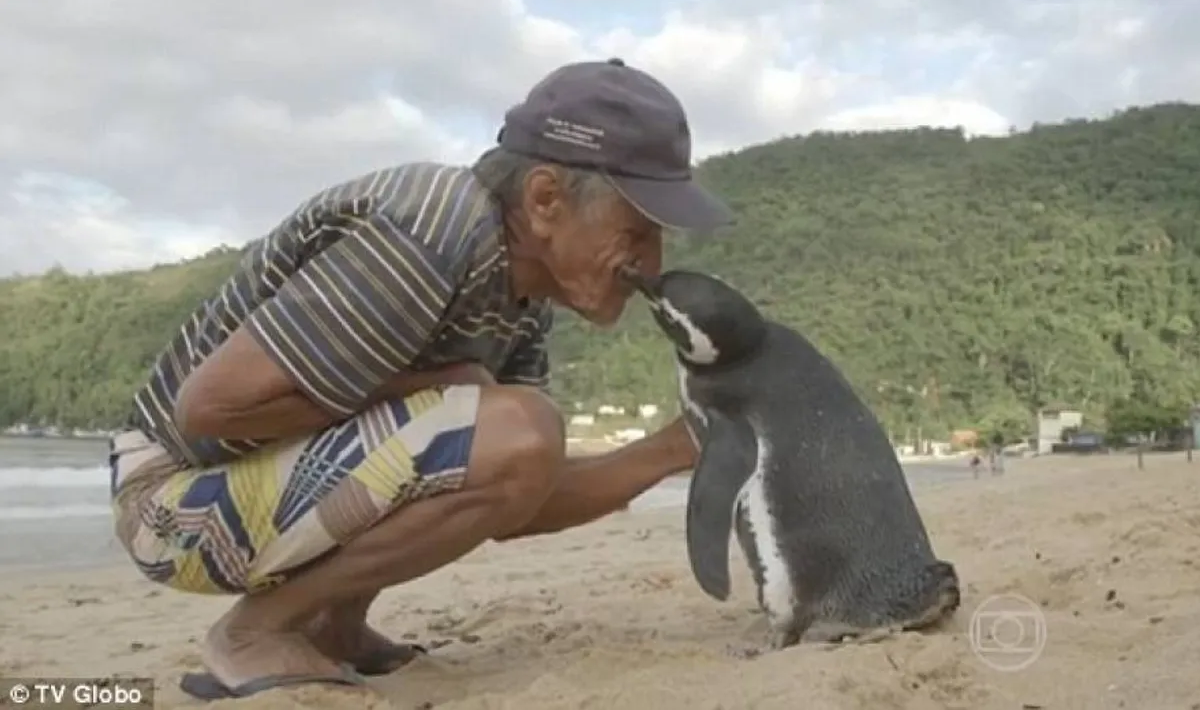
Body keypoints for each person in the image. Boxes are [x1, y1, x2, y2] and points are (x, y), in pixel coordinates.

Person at [107, 57, 733, 699]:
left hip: (241, 489)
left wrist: (675, 448)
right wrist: (434, 387)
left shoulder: (519, 298)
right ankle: (257, 630)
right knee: (512, 420)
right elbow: (208, 411)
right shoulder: (431, 227)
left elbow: (515, 492)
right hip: (168, 503)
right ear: (545, 200)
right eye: (637, 230)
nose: (652, 263)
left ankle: (333, 625)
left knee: (514, 428)